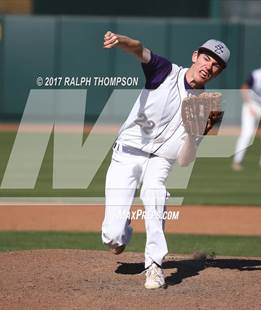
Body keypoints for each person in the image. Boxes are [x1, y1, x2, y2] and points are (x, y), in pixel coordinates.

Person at [101, 31, 230, 289]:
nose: (209, 66)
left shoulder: (210, 107)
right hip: (128, 152)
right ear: (195, 56)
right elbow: (140, 49)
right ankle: (122, 232)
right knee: (112, 236)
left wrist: (194, 137)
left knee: (155, 194)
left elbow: (185, 161)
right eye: (206, 58)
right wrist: (122, 41)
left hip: (161, 160)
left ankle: (155, 266)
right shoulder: (165, 71)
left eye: (216, 65)